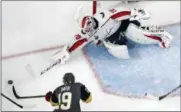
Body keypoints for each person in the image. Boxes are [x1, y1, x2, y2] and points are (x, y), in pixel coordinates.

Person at [50, 6, 173, 63]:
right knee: (121, 54)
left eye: (90, 27)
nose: (89, 31)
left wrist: (135, 12)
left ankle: (160, 38)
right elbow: (78, 41)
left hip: (122, 25)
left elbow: (118, 14)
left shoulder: (103, 16)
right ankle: (140, 33)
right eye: (87, 30)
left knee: (137, 35)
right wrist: (67, 51)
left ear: (92, 21)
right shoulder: (86, 32)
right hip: (111, 37)